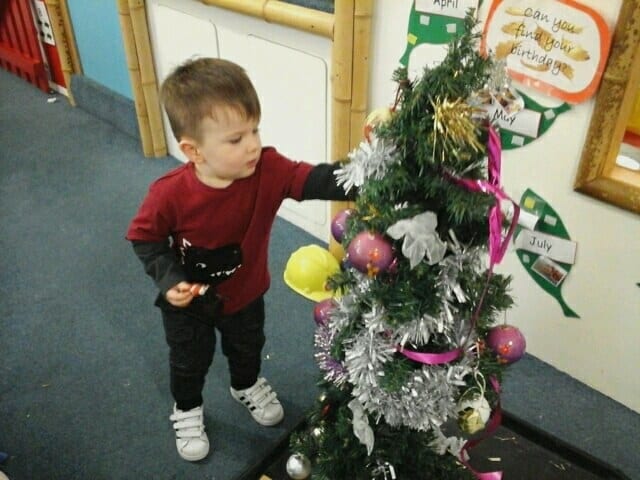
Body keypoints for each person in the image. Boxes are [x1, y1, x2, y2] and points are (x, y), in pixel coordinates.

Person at [126, 57, 353, 462]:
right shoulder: (169, 193)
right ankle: (187, 408)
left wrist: (370, 174)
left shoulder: (269, 168)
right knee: (189, 361)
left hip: (246, 293)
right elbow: (144, 238)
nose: (252, 145)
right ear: (193, 150)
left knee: (248, 347)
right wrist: (168, 278)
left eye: (254, 130)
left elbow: (318, 179)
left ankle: (245, 384)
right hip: (189, 304)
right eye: (235, 139)